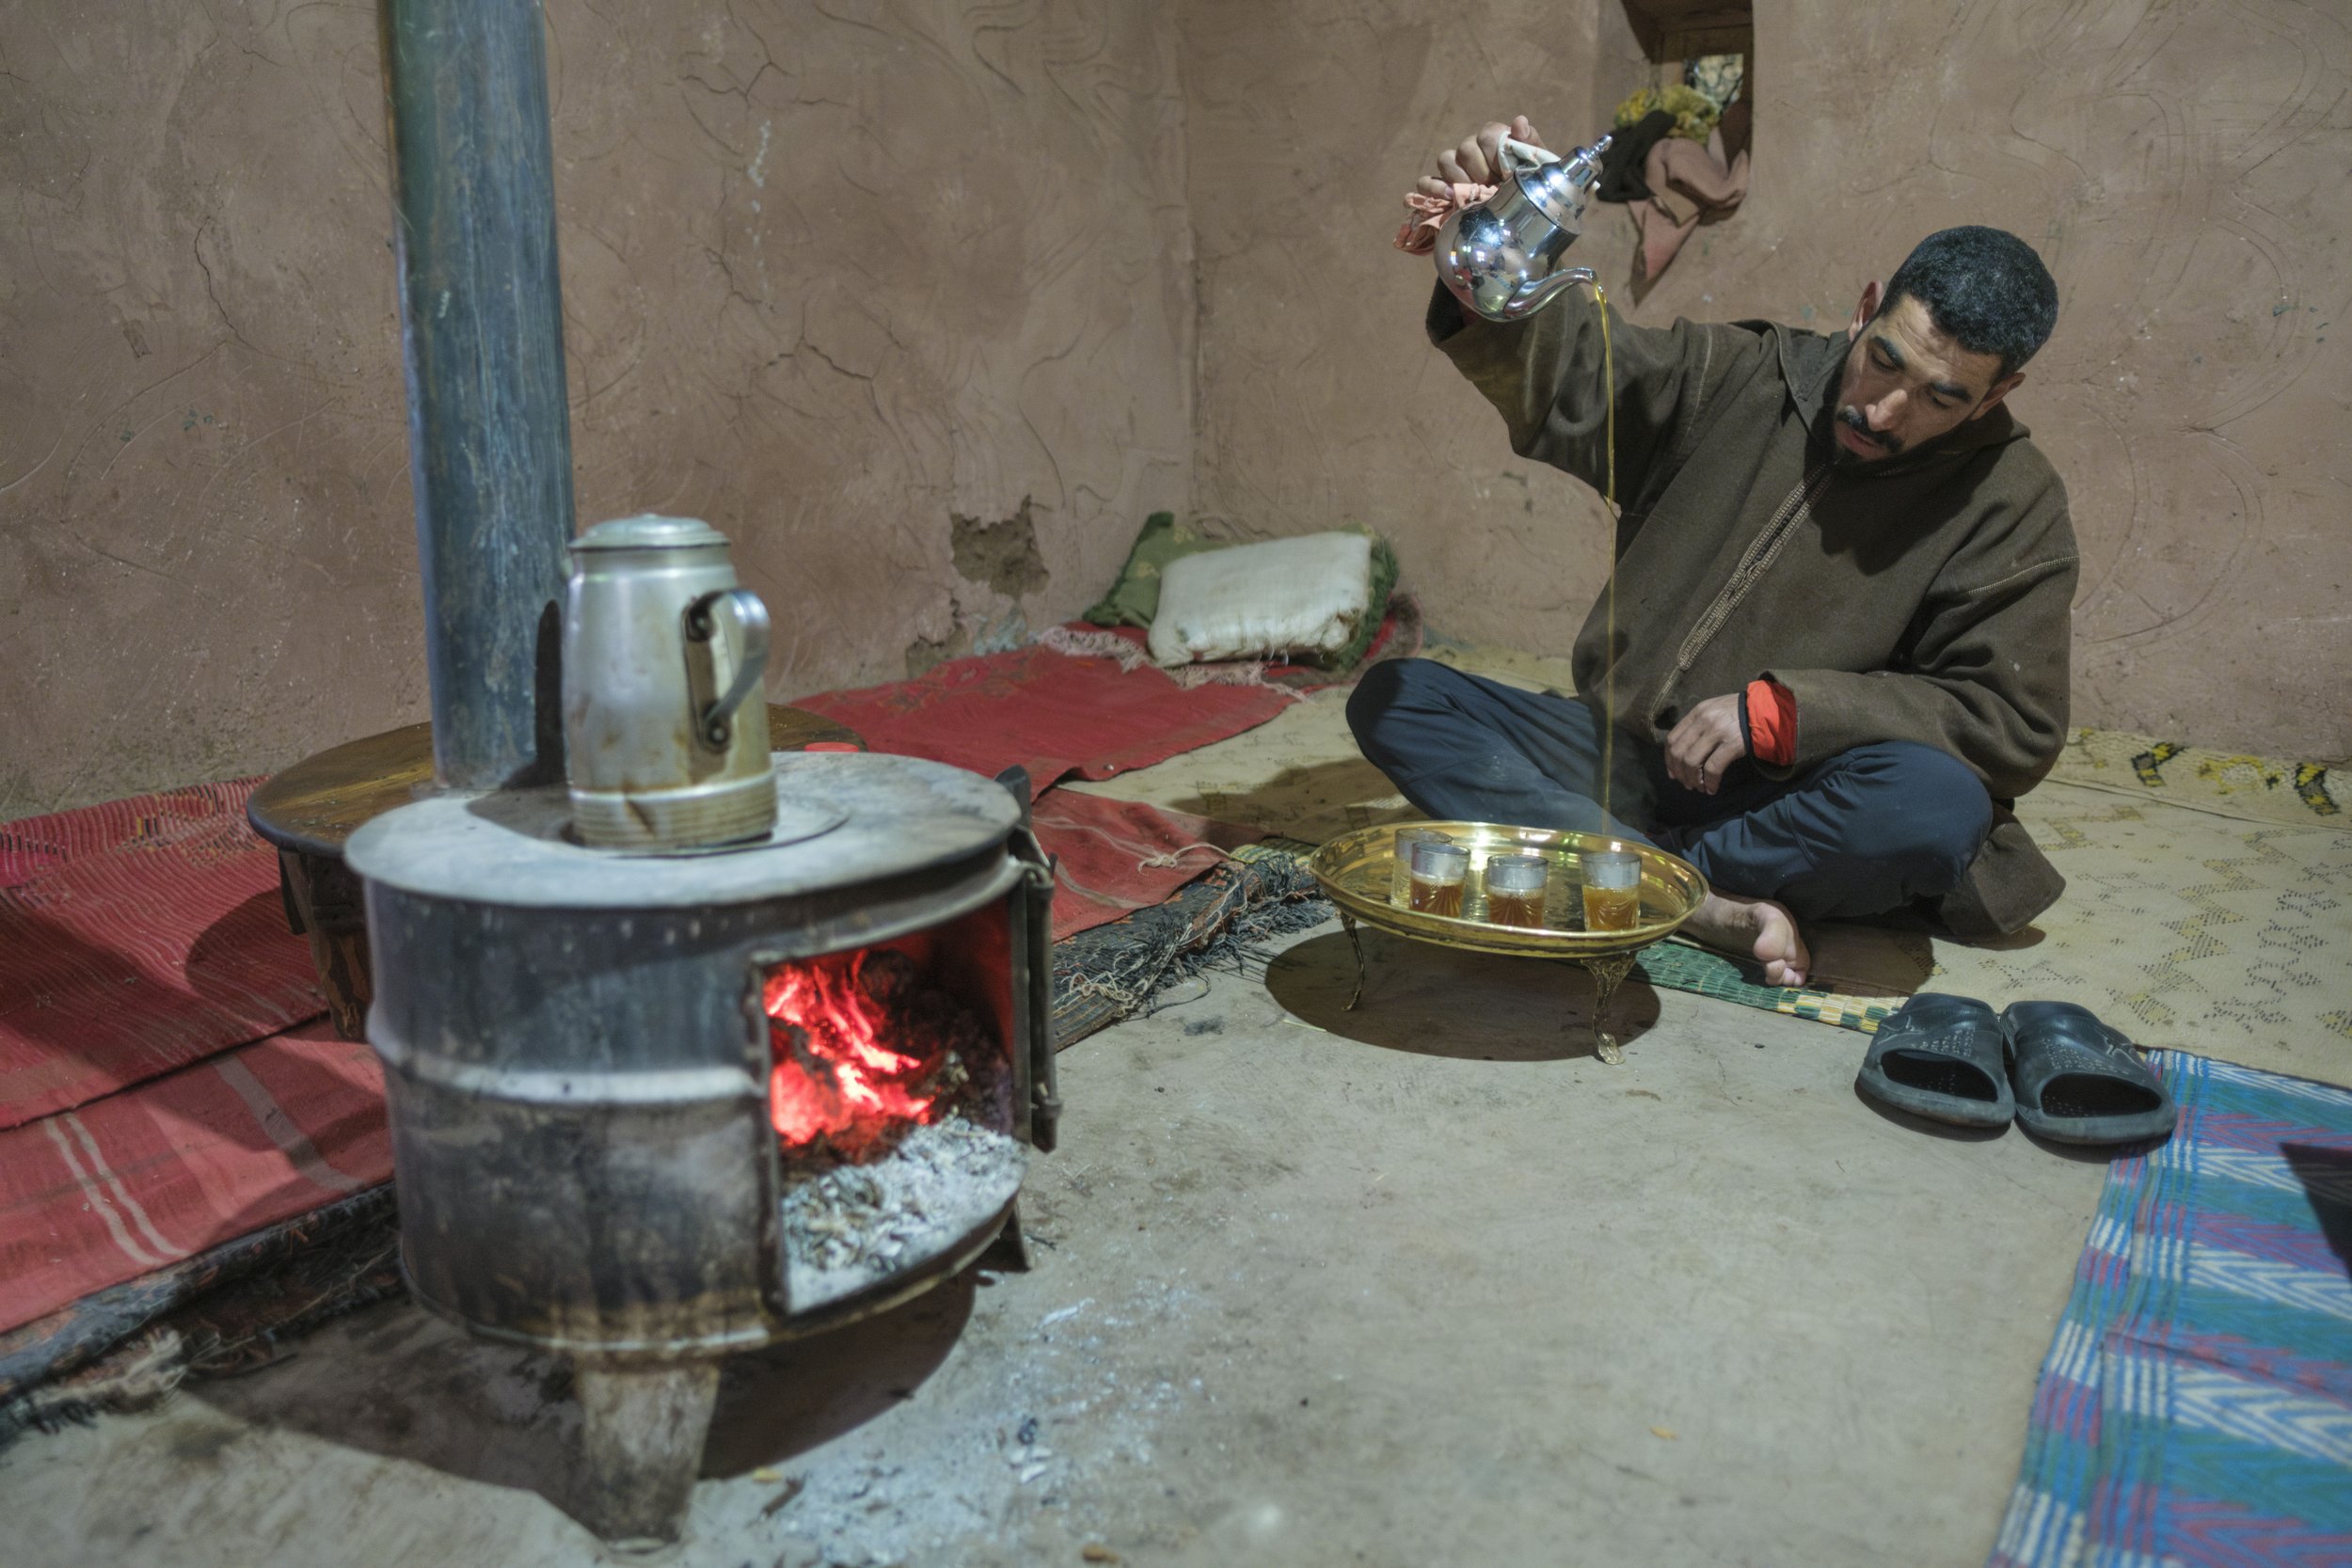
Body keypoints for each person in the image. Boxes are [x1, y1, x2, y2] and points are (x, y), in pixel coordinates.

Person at [1350, 117, 2077, 987]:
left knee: (1938, 808)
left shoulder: (2013, 502)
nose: (1883, 411)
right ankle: (1696, 899)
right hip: (1626, 755)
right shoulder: (1740, 375)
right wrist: (1504, 257)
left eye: (1941, 397)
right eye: (1884, 360)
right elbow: (1579, 381)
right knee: (1401, 697)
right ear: (1864, 307)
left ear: (2003, 390)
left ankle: (1620, 863)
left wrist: (1784, 716)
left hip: (1786, 797)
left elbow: (2007, 724)